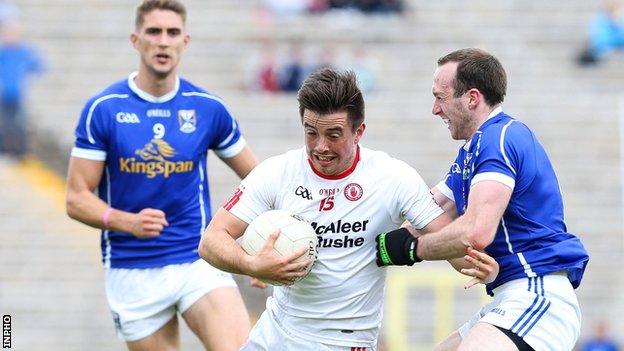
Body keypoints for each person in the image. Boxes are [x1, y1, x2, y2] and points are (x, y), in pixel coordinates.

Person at [198, 68, 498, 351]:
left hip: (344, 341)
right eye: (311, 132)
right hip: (276, 331)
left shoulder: (392, 178)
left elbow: (454, 246)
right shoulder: (277, 172)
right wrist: (251, 264)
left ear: (359, 132)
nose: (320, 146)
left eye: (334, 134)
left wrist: (487, 267)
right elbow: (212, 240)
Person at [65, 1, 257, 350]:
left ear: (185, 41)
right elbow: (76, 198)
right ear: (136, 39)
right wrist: (127, 222)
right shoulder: (103, 109)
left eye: (172, 33)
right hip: (132, 268)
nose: (163, 41)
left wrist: (255, 246)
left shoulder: (208, 108)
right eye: (154, 32)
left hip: (197, 257)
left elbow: (259, 181)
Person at [375, 48, 590, 351]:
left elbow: (475, 232)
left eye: (440, 97)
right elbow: (423, 213)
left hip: (537, 294)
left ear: (472, 98)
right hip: (509, 297)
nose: (435, 109)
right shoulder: (470, 152)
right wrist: (363, 243)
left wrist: (412, 250)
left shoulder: (500, 138)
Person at [0, 19, 43, 158]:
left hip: (18, 94)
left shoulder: (24, 52)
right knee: (5, 123)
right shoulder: (3, 53)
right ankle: (5, 150)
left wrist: (29, 77)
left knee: (20, 123)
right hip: (4, 94)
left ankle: (21, 152)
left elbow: (37, 66)